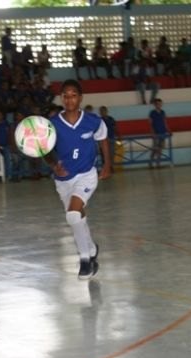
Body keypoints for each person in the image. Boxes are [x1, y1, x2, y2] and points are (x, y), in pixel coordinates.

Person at [46, 79, 112, 280]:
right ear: (61, 98)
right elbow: (45, 151)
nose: (69, 99)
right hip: (63, 179)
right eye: (65, 95)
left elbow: (103, 140)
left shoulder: (93, 121)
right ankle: (91, 248)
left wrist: (108, 165)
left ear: (80, 98)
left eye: (73, 94)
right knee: (77, 217)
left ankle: (85, 260)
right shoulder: (53, 124)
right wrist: (53, 164)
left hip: (86, 174)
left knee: (73, 215)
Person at [148, 98, 171, 168]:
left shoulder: (163, 112)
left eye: (160, 104)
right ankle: (151, 162)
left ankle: (158, 163)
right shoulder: (152, 113)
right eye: (158, 104)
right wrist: (152, 132)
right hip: (156, 133)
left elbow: (165, 122)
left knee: (160, 149)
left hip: (162, 132)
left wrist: (169, 130)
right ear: (155, 105)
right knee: (155, 149)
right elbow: (150, 123)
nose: (159, 105)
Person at [99, 106, 118, 171]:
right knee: (103, 155)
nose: (103, 112)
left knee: (112, 153)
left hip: (111, 138)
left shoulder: (111, 119)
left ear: (106, 111)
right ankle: (105, 168)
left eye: (104, 111)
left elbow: (115, 128)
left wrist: (118, 135)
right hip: (103, 140)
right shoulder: (99, 120)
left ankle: (111, 166)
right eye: (102, 111)